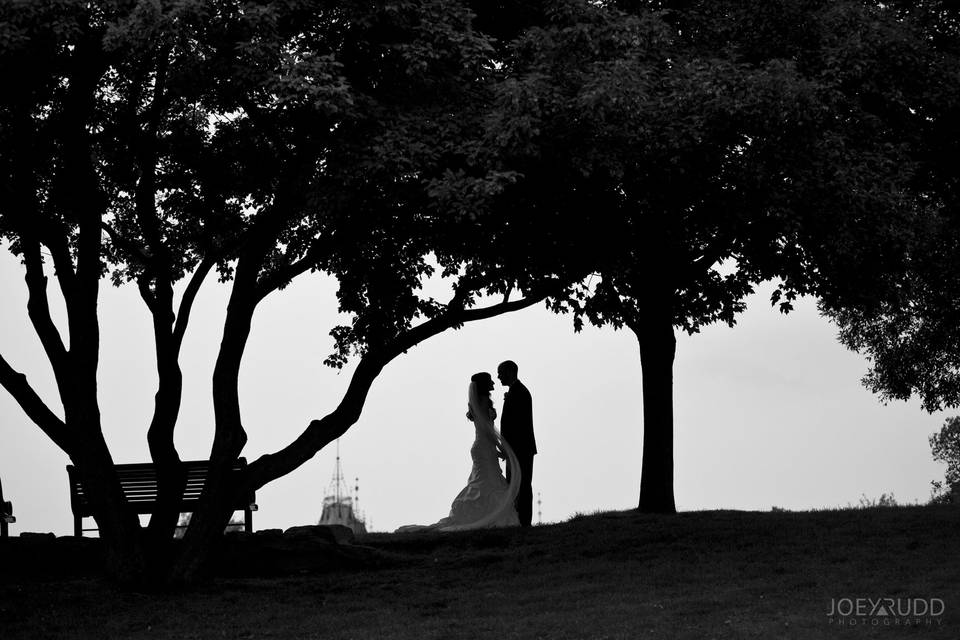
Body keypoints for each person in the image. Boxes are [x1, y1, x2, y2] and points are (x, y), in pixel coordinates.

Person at [395, 372, 519, 532]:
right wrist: (502, 449)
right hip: (484, 447)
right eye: (490, 381)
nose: (494, 383)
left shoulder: (481, 401)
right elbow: (487, 430)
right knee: (489, 482)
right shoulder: (481, 402)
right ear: (483, 385)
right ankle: (488, 517)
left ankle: (485, 516)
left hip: (483, 447)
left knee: (487, 481)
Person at [498, 360, 536, 527]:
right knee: (515, 485)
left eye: (501, 372)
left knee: (523, 485)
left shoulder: (520, 393)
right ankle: (517, 520)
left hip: (521, 449)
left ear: (510, 372)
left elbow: (519, 425)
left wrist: (509, 448)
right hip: (516, 449)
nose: (498, 376)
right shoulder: (515, 392)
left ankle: (524, 522)